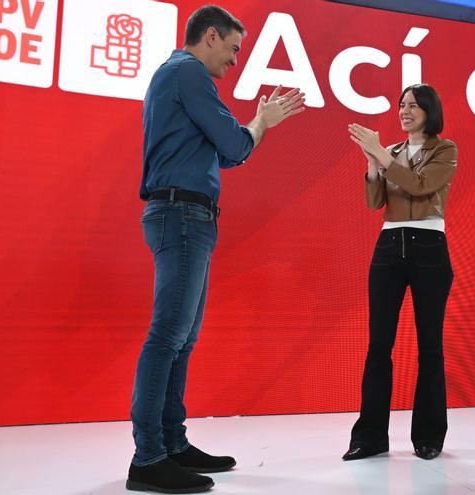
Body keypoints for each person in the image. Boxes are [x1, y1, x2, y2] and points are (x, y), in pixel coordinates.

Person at [128, 5, 305, 493]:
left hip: (189, 217)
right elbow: (235, 142)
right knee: (168, 338)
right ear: (210, 35)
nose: (233, 60)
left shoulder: (180, 78)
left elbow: (230, 153)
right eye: (232, 48)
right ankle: (148, 459)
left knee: (181, 340)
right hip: (181, 216)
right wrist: (261, 120)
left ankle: (172, 445)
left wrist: (254, 126)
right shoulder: (187, 73)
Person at [345, 84, 457, 461]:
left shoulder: (444, 150)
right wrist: (373, 164)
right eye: (401, 105)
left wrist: (383, 156)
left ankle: (429, 437)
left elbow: (422, 186)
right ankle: (370, 437)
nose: (405, 110)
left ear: (429, 110)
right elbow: (375, 201)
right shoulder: (389, 150)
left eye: (413, 105)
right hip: (389, 246)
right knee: (379, 345)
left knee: (430, 346)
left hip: (429, 247)